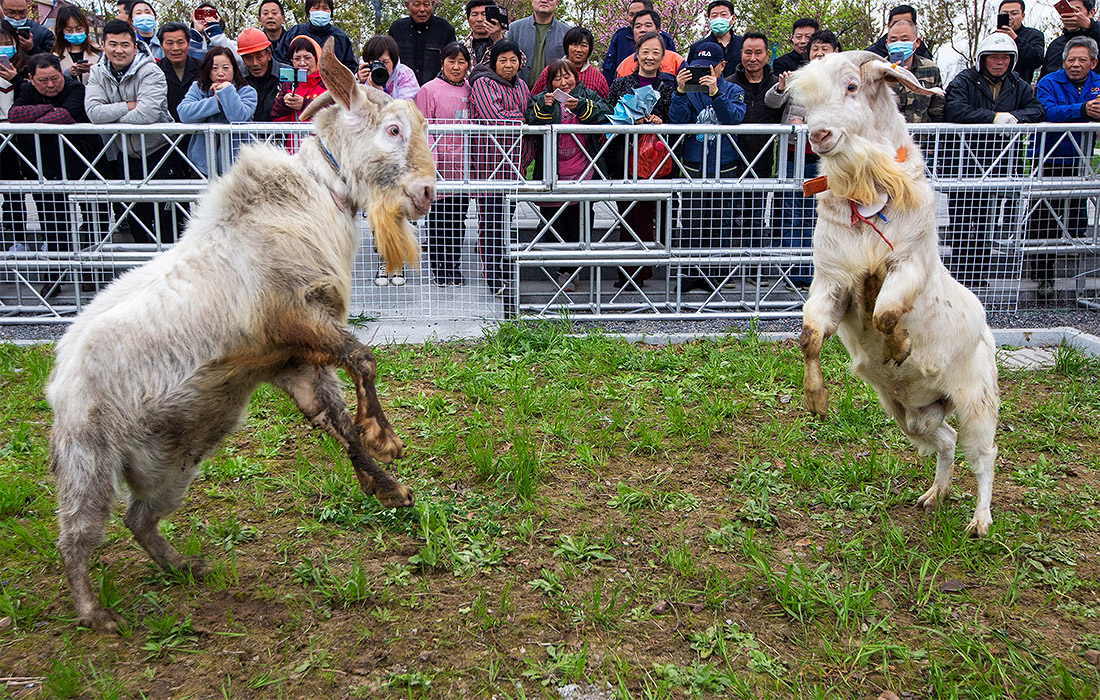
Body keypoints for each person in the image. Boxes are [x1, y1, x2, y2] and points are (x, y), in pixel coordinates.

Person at [944, 33, 1045, 290]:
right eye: (994, 57)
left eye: (1005, 58)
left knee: (986, 221)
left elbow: (1037, 109)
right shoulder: (964, 81)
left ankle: (980, 276)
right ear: (983, 59)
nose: (1000, 62)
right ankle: (959, 276)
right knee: (962, 220)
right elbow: (955, 109)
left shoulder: (1018, 84)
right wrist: (993, 118)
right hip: (965, 164)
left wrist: (1014, 117)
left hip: (1000, 164)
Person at [9, 53, 99, 295]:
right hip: (44, 167)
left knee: (94, 218)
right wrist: (48, 107)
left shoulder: (74, 88)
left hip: (83, 163)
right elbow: (14, 115)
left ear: (62, 73)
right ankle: (55, 275)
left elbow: (65, 115)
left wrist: (36, 116)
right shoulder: (27, 91)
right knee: (53, 222)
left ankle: (88, 268)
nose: (50, 85)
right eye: (43, 81)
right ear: (31, 78)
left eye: (55, 78)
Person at [84, 19, 174, 244]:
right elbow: (94, 113)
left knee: (167, 219)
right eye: (113, 44)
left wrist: (112, 118)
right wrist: (128, 106)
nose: (119, 50)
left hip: (160, 151)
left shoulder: (150, 71)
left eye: (125, 45)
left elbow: (147, 114)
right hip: (125, 155)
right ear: (103, 45)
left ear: (135, 46)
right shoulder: (97, 72)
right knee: (135, 216)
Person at [526, 57, 610, 291]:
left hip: (582, 169)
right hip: (552, 171)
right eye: (557, 78)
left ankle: (571, 270)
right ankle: (562, 264)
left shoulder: (587, 95)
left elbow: (605, 114)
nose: (563, 82)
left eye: (567, 76)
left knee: (579, 221)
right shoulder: (542, 98)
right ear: (549, 82)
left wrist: (580, 106)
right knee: (554, 223)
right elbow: (530, 121)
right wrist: (545, 106)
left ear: (576, 77)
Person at [765, 28, 839, 289]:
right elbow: (772, 102)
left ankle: (815, 272)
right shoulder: (799, 77)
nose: (818, 53)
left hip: (824, 158)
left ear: (835, 52)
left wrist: (807, 122)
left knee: (818, 215)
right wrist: (780, 87)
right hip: (793, 154)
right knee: (791, 213)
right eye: (814, 49)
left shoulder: (843, 83)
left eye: (824, 49)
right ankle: (793, 273)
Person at [670, 42, 745, 293]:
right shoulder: (688, 91)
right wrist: (680, 92)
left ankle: (716, 273)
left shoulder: (733, 89)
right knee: (692, 220)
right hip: (694, 164)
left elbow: (733, 117)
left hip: (724, 164)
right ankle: (690, 273)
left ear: (722, 66)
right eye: (698, 68)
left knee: (721, 220)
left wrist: (715, 93)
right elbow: (677, 120)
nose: (703, 73)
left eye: (709, 68)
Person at [1031, 36, 1100, 297]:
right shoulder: (1048, 82)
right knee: (1043, 222)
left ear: (1093, 63)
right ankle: (1043, 277)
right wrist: (1083, 109)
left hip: (1082, 165)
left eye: (1082, 60)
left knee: (1077, 221)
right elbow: (1047, 111)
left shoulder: (1098, 84)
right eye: (1071, 60)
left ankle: (1079, 281)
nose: (1075, 65)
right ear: (1063, 62)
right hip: (1048, 162)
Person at [606, 31, 676, 289]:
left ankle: (641, 271)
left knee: (647, 214)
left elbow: (675, 118)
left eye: (656, 52)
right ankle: (629, 271)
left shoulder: (668, 87)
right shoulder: (621, 84)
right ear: (636, 54)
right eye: (645, 51)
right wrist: (629, 121)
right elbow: (609, 115)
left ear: (663, 56)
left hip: (655, 160)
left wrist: (659, 121)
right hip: (625, 157)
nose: (650, 57)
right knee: (628, 214)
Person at [469, 39, 532, 295]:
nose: (508, 65)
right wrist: (523, 120)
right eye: (502, 60)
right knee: (491, 221)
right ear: (493, 62)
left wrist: (522, 124)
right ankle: (492, 275)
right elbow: (494, 118)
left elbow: (526, 117)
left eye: (513, 60)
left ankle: (502, 267)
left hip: (514, 166)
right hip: (489, 165)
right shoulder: (483, 83)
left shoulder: (522, 86)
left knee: (506, 219)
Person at [416, 42, 473, 286]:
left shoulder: (470, 90)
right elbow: (422, 128)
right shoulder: (428, 90)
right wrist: (431, 163)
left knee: (458, 220)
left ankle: (454, 266)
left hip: (463, 167)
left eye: (461, 62)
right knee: (438, 221)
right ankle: (439, 268)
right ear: (443, 63)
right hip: (438, 167)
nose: (456, 67)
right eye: (452, 61)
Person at [730, 31, 780, 241]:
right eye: (748, 52)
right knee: (730, 217)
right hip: (732, 162)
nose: (752, 58)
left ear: (767, 55)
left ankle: (754, 259)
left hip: (762, 161)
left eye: (758, 53)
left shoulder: (777, 86)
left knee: (756, 217)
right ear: (741, 53)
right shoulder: (729, 84)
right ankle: (729, 259)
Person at [178, 46, 257, 177]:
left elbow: (238, 117)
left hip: (238, 164)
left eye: (226, 68)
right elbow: (184, 113)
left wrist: (227, 92)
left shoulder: (247, 91)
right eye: (214, 68)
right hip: (202, 165)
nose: (220, 73)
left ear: (234, 69)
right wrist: (215, 101)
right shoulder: (198, 88)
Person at [1, 20, 30, 247]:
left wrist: (15, 79)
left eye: (7, 43)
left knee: (16, 191)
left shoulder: (28, 66)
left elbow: (34, 95)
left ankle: (20, 239)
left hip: (20, 137)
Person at [600, 0, 675, 86]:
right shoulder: (620, 35)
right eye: (631, 15)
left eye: (639, 13)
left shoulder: (664, 39)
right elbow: (609, 69)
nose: (634, 18)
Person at [885, 19, 943, 123]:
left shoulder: (930, 69)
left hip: (922, 132)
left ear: (917, 42)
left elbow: (937, 110)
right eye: (893, 41)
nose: (898, 44)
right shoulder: (877, 70)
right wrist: (887, 82)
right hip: (888, 132)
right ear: (887, 44)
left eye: (904, 40)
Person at [388, 0, 456, 86]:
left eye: (426, 4)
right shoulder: (396, 30)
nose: (422, 9)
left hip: (436, 90)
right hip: (402, 89)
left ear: (432, 4)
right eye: (417, 5)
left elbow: (453, 62)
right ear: (407, 5)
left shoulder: (446, 30)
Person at [276, 0, 357, 72]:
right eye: (316, 8)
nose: (320, 12)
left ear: (331, 13)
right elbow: (279, 60)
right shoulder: (295, 32)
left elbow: (350, 67)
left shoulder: (340, 37)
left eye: (325, 8)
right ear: (308, 13)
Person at [531, 26, 608, 99]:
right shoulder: (550, 70)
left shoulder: (597, 78)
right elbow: (533, 99)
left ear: (590, 49)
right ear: (566, 46)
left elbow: (606, 105)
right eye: (574, 45)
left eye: (584, 45)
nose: (578, 50)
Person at [506, 0, 568, 86]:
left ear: (557, 2)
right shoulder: (514, 29)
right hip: (518, 90)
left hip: (553, 91)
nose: (544, 1)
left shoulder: (566, 32)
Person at [271, 34, 325, 122]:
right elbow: (277, 118)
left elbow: (335, 113)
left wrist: (305, 104)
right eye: (297, 59)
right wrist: (284, 103)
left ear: (317, 58)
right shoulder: (288, 84)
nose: (302, 63)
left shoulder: (327, 83)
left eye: (307, 58)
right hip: (294, 131)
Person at [237, 26, 287, 122]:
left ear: (269, 55)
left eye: (259, 57)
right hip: (247, 131)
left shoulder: (288, 74)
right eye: (249, 58)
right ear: (243, 59)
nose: (255, 63)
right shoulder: (238, 78)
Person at [615, 10, 682, 78]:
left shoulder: (676, 61)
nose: (642, 30)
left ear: (658, 30)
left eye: (648, 26)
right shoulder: (623, 67)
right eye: (638, 26)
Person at [1042, 0, 1100, 77]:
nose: (1071, 14)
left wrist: (1089, 25)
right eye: (1067, 10)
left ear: (1091, 13)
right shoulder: (1056, 45)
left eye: (1077, 10)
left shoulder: (1096, 38)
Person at [686, 0, 741, 78]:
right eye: (714, 15)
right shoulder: (697, 47)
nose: (719, 18)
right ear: (708, 20)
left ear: (733, 18)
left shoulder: (743, 44)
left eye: (723, 15)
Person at [156, 22, 198, 121]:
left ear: (188, 44)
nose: (175, 48)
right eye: (169, 43)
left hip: (197, 126)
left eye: (180, 42)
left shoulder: (202, 68)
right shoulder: (155, 71)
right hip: (165, 127)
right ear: (161, 45)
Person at [358, 34, 419, 100]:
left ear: (394, 61)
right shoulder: (364, 75)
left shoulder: (405, 75)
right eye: (375, 63)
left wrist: (379, 94)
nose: (380, 67)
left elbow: (405, 105)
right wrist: (360, 83)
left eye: (385, 62)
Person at [997, 0, 1045, 84]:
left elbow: (1037, 60)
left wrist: (1015, 38)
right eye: (1005, 14)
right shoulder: (993, 37)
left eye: (1014, 14)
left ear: (1022, 16)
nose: (1009, 17)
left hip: (1020, 85)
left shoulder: (1033, 35)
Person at [52, 5, 100, 86]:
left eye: (79, 29)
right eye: (69, 30)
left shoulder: (99, 52)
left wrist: (93, 70)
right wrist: (69, 73)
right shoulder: (55, 57)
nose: (75, 33)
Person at [865, 5, 934, 60]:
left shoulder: (924, 55)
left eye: (907, 22)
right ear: (888, 25)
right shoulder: (871, 53)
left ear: (914, 25)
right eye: (896, 22)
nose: (901, 25)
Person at [463, 0, 505, 65]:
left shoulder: (506, 43)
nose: (479, 19)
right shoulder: (462, 46)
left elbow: (519, 63)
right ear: (468, 20)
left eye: (484, 14)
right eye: (474, 15)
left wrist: (499, 40)